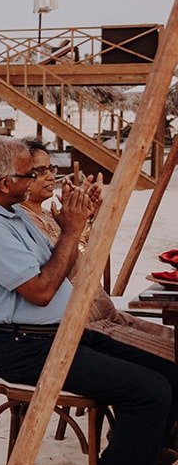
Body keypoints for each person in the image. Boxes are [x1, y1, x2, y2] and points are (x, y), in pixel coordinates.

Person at [0, 136, 178, 465]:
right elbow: (41, 292)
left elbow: (62, 258)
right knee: (150, 391)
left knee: (169, 371)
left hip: (59, 334)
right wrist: (71, 231)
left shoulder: (10, 211)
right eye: (30, 174)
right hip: (25, 346)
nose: (37, 179)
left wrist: (78, 220)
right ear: (6, 182)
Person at [17, 141, 175, 364]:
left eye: (50, 169)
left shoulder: (48, 215)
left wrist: (89, 216)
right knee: (169, 355)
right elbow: (61, 269)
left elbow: (85, 258)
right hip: (85, 323)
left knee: (171, 340)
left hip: (104, 311)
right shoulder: (23, 223)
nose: (50, 177)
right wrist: (76, 225)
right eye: (39, 171)